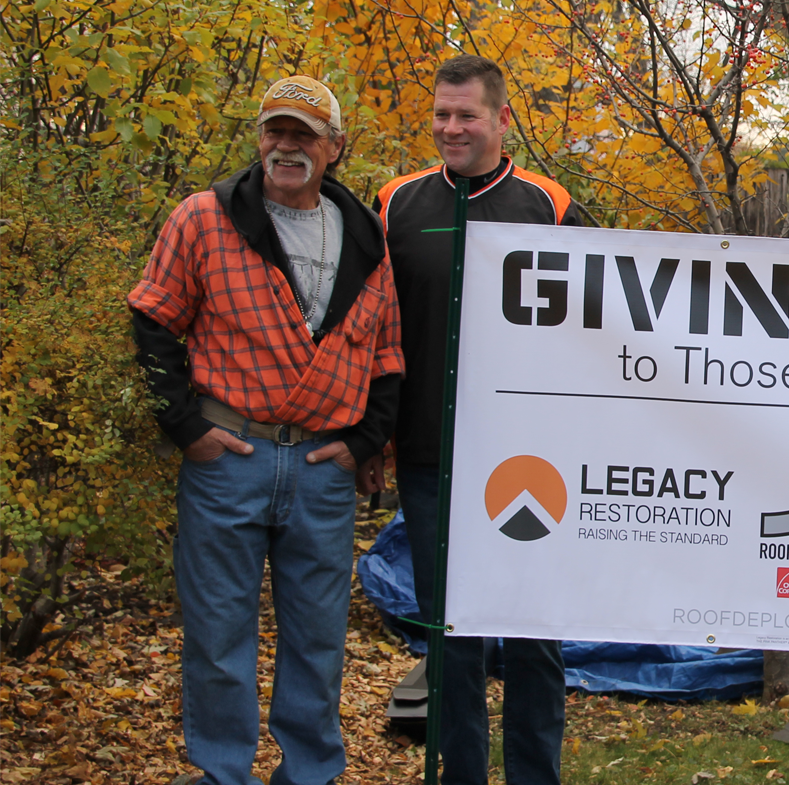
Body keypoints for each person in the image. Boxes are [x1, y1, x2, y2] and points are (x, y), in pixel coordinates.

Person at [129, 75, 403, 785]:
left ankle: (309, 774)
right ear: (259, 138)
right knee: (219, 638)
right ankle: (224, 774)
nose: (287, 146)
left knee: (318, 641)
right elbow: (154, 319)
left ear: (334, 148)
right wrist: (188, 429)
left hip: (322, 470)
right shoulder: (204, 217)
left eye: (304, 135)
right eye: (275, 131)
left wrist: (368, 441)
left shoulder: (369, 237)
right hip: (229, 458)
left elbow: (388, 353)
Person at [377, 55, 581, 784]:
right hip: (430, 458)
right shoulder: (396, 203)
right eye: (441, 114)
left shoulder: (551, 205)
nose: (451, 128)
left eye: (466, 115)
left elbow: (596, 329)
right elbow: (373, 328)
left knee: (532, 636)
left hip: (531, 464)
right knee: (451, 639)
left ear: (501, 119)